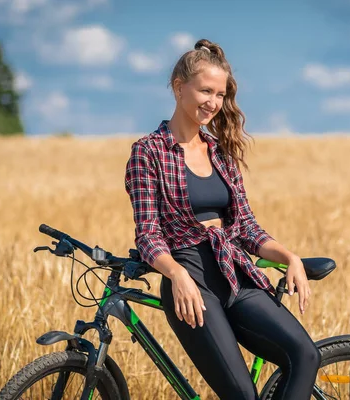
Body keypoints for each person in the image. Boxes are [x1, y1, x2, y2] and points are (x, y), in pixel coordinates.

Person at [124, 38, 320, 400]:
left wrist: (290, 257)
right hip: (190, 278)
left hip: (235, 271)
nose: (213, 102)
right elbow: (148, 234)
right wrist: (177, 274)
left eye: (220, 94)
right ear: (179, 87)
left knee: (305, 354)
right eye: (205, 91)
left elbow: (245, 226)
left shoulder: (220, 152)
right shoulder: (147, 152)